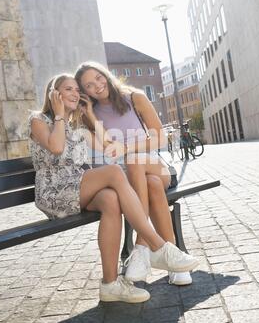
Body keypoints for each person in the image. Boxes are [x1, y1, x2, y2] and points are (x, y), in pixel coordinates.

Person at [29, 74, 199, 304]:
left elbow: (111, 149)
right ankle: (156, 245)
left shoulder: (78, 129)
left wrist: (89, 114)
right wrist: (59, 114)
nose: (75, 93)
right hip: (55, 193)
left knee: (110, 199)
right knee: (114, 173)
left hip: (78, 189)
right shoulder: (39, 120)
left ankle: (110, 284)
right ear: (54, 94)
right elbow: (56, 147)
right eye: (68, 89)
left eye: (77, 90)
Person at [75, 61, 193, 286]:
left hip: (155, 164)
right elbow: (106, 147)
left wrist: (127, 149)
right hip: (131, 176)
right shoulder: (90, 114)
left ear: (105, 75)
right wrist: (89, 113)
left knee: (136, 161)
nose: (97, 86)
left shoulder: (135, 97)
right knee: (152, 185)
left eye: (98, 78)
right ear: (85, 92)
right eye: (89, 86)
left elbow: (160, 137)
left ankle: (141, 246)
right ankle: (173, 260)